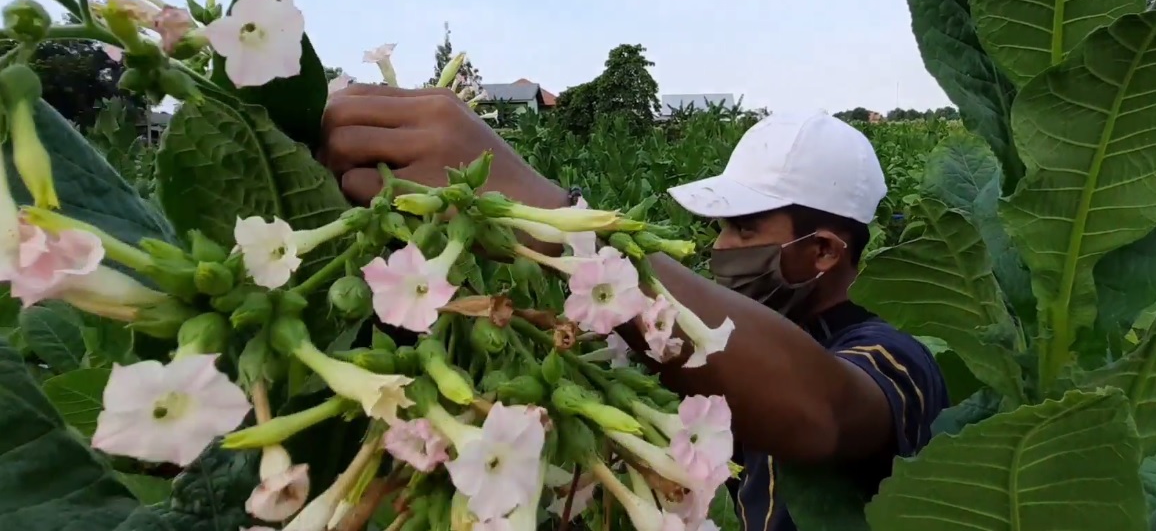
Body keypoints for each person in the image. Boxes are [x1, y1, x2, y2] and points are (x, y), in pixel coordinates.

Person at [319, 86, 948, 531]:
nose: (719, 248)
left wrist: (551, 218)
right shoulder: (710, 352)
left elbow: (820, 413)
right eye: (719, 228)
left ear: (822, 253)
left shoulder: (899, 362)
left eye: (744, 231)